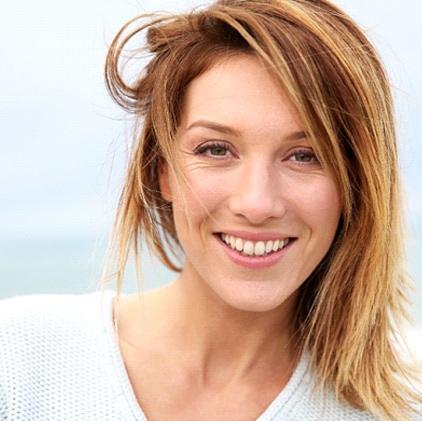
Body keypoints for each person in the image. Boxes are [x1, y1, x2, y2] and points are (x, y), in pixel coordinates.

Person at [0, 0, 421, 419]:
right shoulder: (17, 357)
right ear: (161, 170)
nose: (257, 204)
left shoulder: (399, 407)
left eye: (306, 155)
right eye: (216, 149)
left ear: (357, 182)